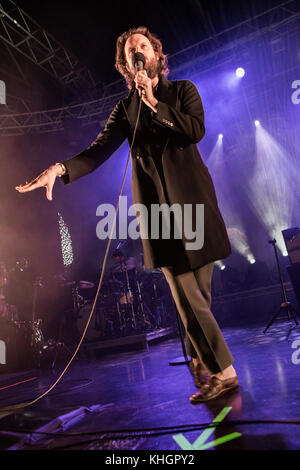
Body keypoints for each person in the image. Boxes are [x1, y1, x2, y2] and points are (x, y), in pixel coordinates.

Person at [15, 26, 238, 403]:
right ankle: (225, 372)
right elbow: (96, 151)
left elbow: (195, 130)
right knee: (185, 296)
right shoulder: (124, 110)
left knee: (198, 296)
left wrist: (155, 102)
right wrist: (59, 169)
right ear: (124, 65)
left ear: (155, 55)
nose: (138, 51)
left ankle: (205, 363)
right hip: (157, 215)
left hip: (193, 208)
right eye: (130, 50)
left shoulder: (181, 91)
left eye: (143, 46)